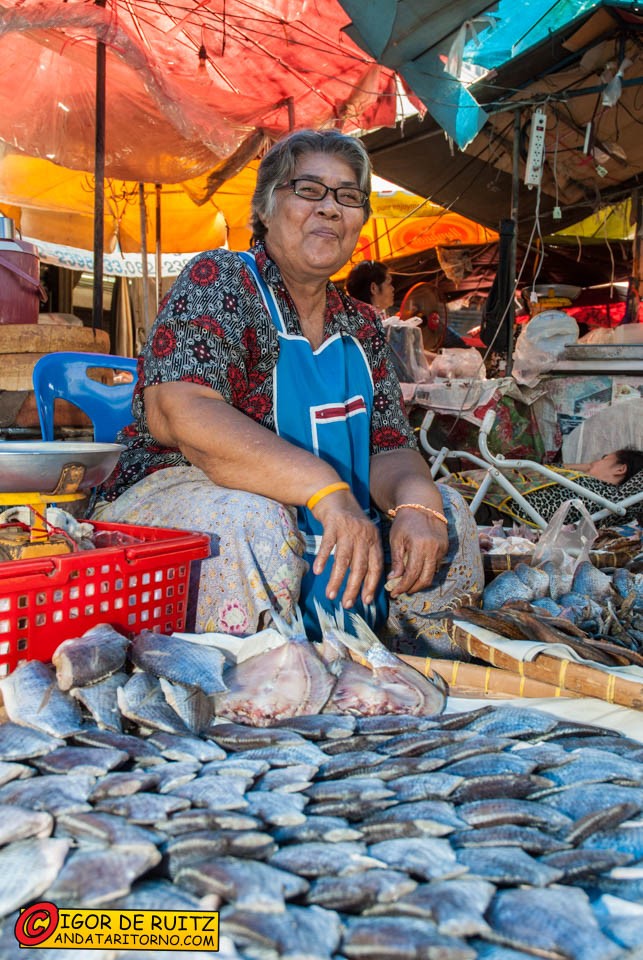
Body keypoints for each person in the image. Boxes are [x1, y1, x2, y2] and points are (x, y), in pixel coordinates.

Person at [93, 128, 483, 654]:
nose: (330, 209)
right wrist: (327, 492)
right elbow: (178, 412)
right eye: (309, 190)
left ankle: (406, 676)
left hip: (328, 503)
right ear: (266, 206)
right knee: (251, 518)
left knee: (447, 514)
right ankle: (252, 691)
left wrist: (418, 506)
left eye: (348, 196)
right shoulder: (222, 281)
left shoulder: (362, 325)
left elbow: (388, 446)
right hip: (179, 492)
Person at [444, 447, 643, 528]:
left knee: (438, 501)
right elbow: (553, 468)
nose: (593, 462)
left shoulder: (616, 500)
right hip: (490, 501)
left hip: (502, 514)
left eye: (604, 458)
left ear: (621, 468)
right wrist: (591, 466)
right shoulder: (577, 479)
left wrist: (593, 467)